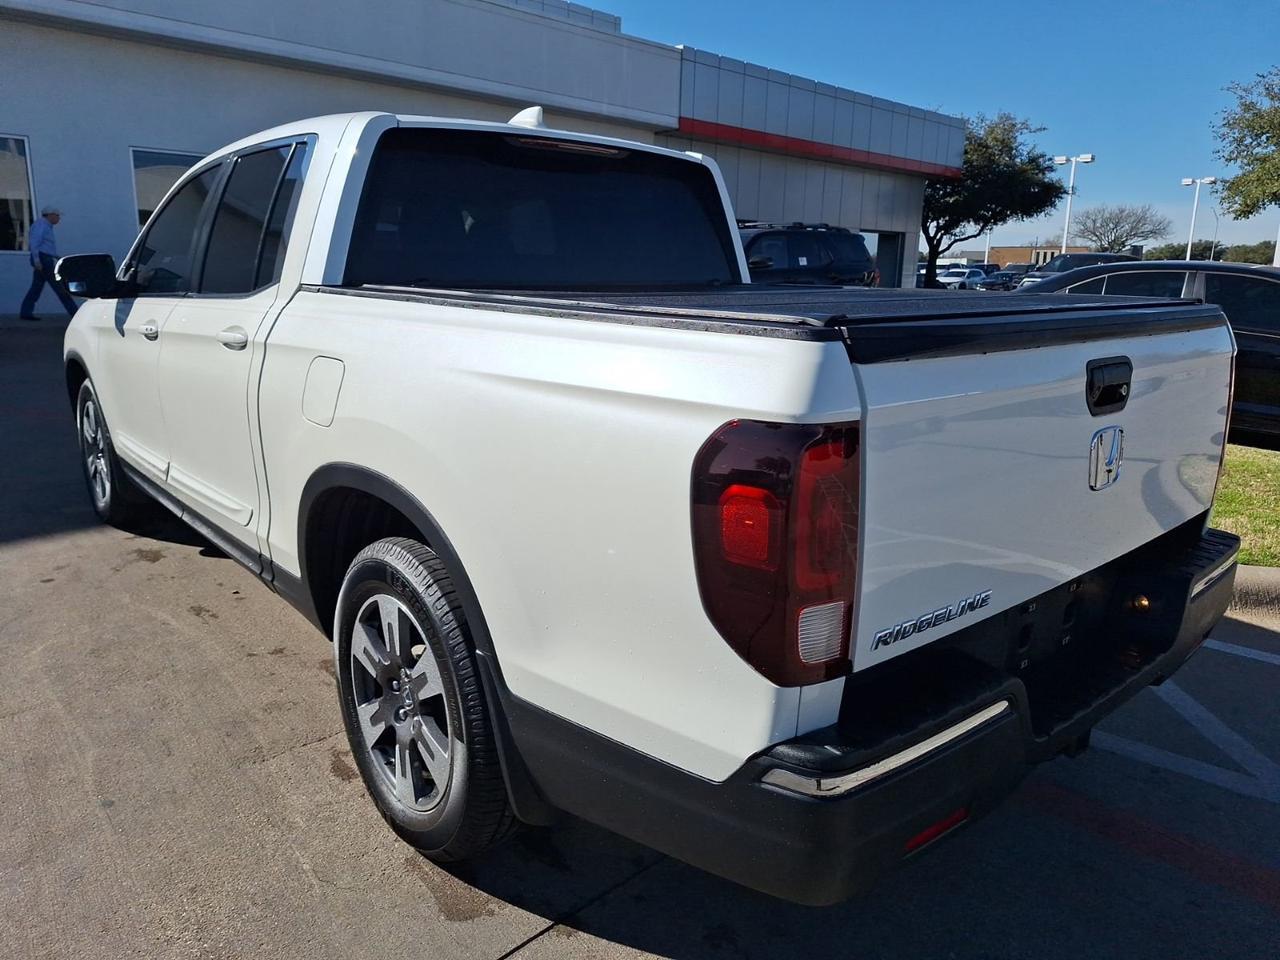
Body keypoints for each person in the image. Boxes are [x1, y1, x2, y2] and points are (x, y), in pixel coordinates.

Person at [18, 205, 78, 320]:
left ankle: (25, 312)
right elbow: (35, 244)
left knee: (36, 287)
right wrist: (37, 260)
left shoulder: (44, 225)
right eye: (57, 216)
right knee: (60, 287)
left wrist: (55, 256)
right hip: (43, 260)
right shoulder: (41, 225)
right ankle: (75, 314)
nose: (59, 218)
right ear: (51, 215)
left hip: (44, 258)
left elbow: (45, 246)